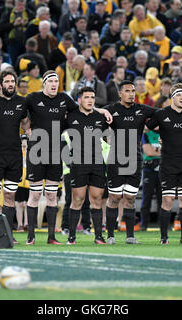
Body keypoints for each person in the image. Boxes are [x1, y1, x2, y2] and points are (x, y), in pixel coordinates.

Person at [23, 70, 112, 245]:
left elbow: (83, 108)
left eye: (57, 81)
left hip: (56, 152)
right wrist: (25, 129)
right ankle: (31, 236)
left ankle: (51, 237)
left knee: (51, 195)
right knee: (34, 194)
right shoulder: (32, 98)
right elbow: (17, 110)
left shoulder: (64, 99)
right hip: (37, 150)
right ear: (44, 83)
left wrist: (100, 110)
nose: (54, 84)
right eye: (51, 81)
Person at [147, 83, 182, 244]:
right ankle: (164, 237)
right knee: (168, 200)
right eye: (179, 95)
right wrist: (160, 134)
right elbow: (146, 127)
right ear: (173, 98)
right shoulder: (162, 114)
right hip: (168, 165)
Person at [104, 79, 157, 244]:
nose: (131, 94)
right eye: (127, 91)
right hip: (115, 160)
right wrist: (106, 136)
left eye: (133, 91)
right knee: (114, 197)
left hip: (135, 159)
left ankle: (130, 236)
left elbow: (162, 113)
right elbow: (94, 114)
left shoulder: (142, 110)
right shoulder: (111, 110)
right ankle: (111, 235)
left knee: (130, 198)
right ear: (120, 93)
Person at [0, 70, 30, 244]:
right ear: (0, 84)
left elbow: (25, 124)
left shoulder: (21, 102)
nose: (11, 84)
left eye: (13, 81)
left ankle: (7, 235)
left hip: (15, 155)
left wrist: (31, 135)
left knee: (10, 195)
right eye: (7, 81)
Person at [65, 86, 109, 245]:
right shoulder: (70, 116)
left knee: (97, 199)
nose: (90, 100)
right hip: (78, 163)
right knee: (78, 199)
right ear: (79, 100)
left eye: (92, 97)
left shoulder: (100, 117)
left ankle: (98, 236)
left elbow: (107, 137)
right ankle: (71, 237)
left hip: (97, 162)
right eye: (86, 97)